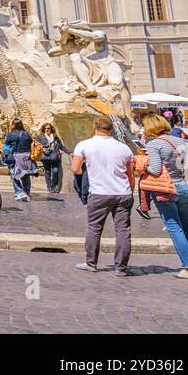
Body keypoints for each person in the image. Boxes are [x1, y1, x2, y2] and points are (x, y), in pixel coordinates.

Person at [140, 112, 188, 282]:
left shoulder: (154, 144)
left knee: (174, 228)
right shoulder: (181, 141)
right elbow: (185, 166)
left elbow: (156, 170)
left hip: (165, 190)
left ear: (150, 128)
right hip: (182, 187)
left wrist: (143, 165)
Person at [72, 116, 136, 276]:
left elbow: (75, 169)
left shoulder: (84, 145)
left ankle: (91, 263)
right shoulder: (124, 148)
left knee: (94, 228)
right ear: (111, 129)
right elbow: (131, 175)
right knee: (123, 230)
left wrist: (88, 171)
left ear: (94, 127)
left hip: (99, 193)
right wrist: (130, 191)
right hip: (123, 193)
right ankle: (121, 267)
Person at [3, 119, 37, 202]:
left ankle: (19, 192)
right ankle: (27, 193)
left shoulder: (11, 134)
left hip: (17, 157)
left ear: (14, 125)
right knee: (25, 176)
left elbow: (6, 144)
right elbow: (30, 143)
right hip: (27, 157)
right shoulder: (27, 133)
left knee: (13, 175)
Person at [35, 122, 71, 196]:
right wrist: (43, 148)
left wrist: (69, 152)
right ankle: (50, 186)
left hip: (55, 157)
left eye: (49, 128)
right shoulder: (40, 137)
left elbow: (61, 146)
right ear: (43, 129)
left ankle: (53, 185)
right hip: (46, 157)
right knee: (47, 172)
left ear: (51, 129)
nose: (47, 130)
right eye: (46, 128)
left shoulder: (55, 136)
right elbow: (36, 145)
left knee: (55, 171)